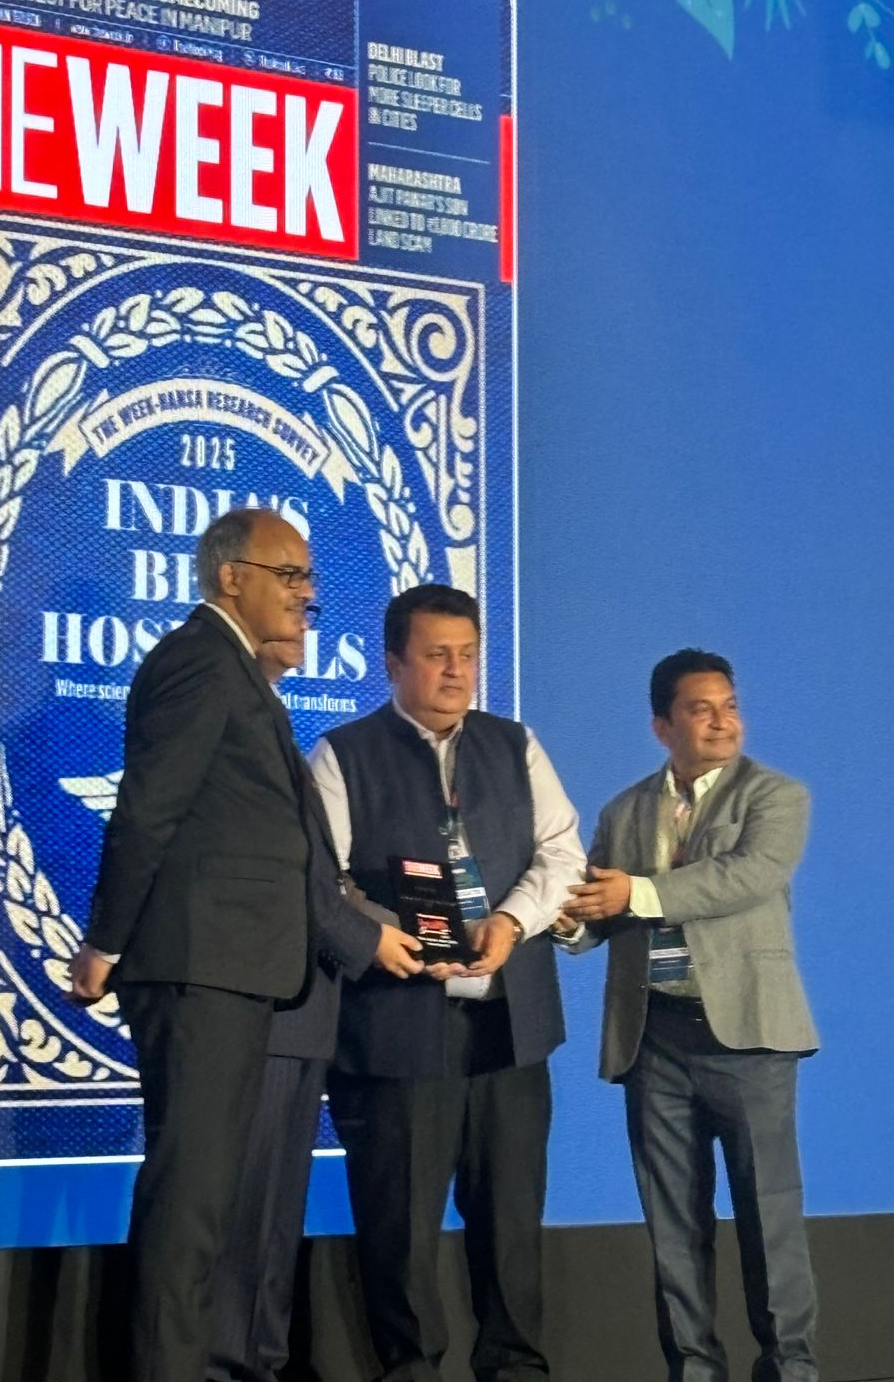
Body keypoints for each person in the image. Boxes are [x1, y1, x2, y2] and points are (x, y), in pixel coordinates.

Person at [68, 508, 417, 1382]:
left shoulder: (241, 673)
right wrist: (105, 941)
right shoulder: (197, 661)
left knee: (208, 1207)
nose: (306, 595)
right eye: (289, 574)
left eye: (308, 580)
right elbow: (149, 809)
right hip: (197, 971)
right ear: (231, 576)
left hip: (235, 973)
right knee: (189, 1206)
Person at [311, 583, 587, 1382]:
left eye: (467, 656)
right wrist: (376, 936)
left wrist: (512, 922)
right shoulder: (342, 755)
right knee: (399, 1237)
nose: (456, 671)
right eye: (436, 656)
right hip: (395, 1029)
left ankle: (515, 1372)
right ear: (393, 661)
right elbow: (319, 880)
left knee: (510, 1232)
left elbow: (561, 852)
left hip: (508, 1030)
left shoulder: (514, 744)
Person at [560, 648, 819, 1382]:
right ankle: (693, 1372)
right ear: (661, 726)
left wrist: (633, 894)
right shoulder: (624, 809)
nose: (721, 721)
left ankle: (790, 1370)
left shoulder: (776, 797)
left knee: (771, 1223)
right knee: (673, 1231)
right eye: (701, 709)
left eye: (729, 705)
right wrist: (559, 916)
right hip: (655, 1043)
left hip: (748, 1040)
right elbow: (596, 911)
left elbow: (747, 877)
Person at [207, 633, 422, 1382]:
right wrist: (370, 940)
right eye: (290, 586)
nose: (303, 615)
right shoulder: (231, 723)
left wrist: (378, 932)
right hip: (262, 1012)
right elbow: (296, 880)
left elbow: (318, 878)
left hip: (305, 1017)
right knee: (246, 1225)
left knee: (274, 1228)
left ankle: (256, 1363)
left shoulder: (275, 725)